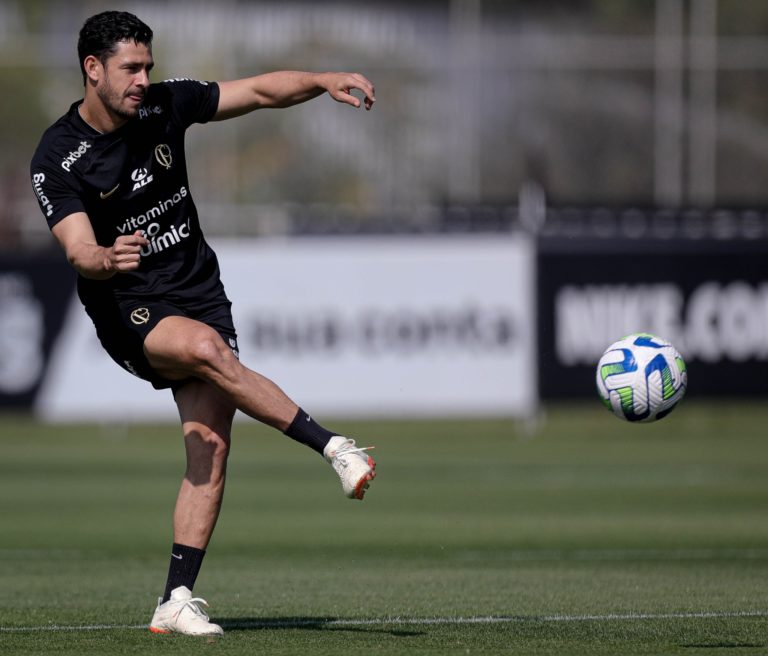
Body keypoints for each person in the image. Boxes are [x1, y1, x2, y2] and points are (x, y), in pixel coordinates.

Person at [30, 10, 377, 637]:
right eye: (130, 68)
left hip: (200, 290)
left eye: (147, 68)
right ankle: (334, 446)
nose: (142, 79)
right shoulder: (59, 153)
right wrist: (108, 256)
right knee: (207, 350)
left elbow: (261, 91)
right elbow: (79, 250)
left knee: (210, 446)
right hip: (125, 305)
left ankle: (176, 600)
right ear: (93, 69)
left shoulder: (165, 106)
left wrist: (321, 78)